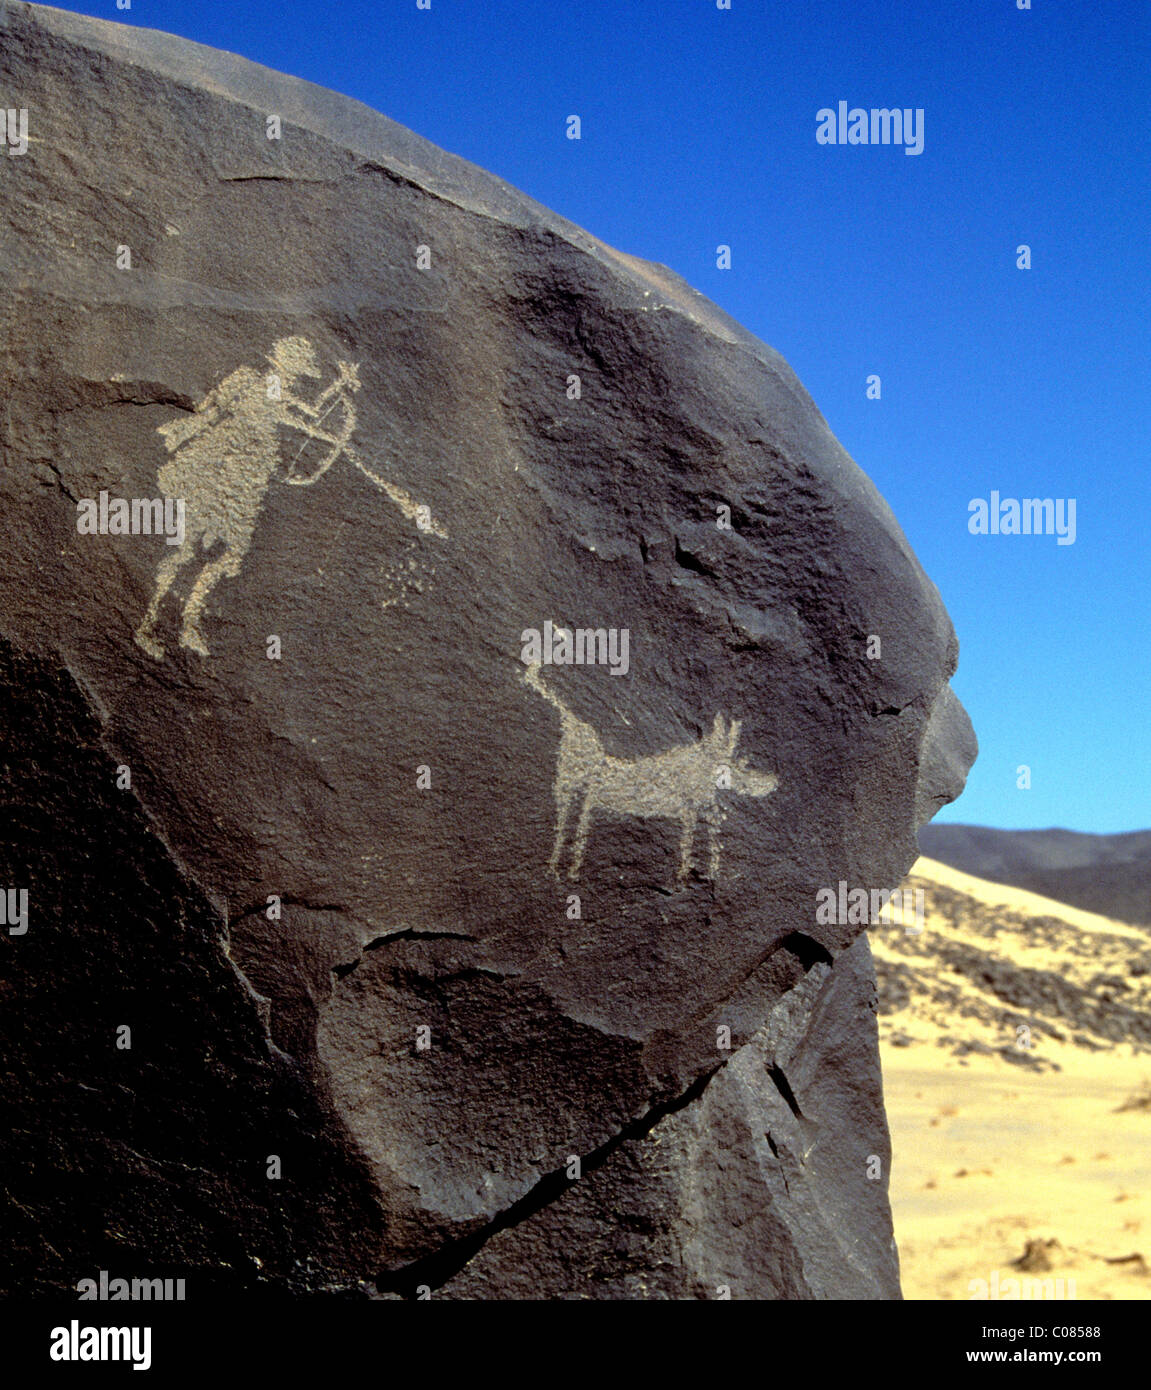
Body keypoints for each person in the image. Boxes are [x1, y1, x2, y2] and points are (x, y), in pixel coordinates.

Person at [134, 337, 360, 659]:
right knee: (189, 548)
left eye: (299, 372)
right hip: (222, 468)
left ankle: (188, 622)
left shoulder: (277, 390)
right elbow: (232, 409)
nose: (296, 377)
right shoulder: (254, 381)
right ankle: (150, 621)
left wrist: (338, 393)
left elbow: (309, 415)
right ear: (283, 363)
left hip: (248, 477)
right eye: (296, 369)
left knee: (225, 552)